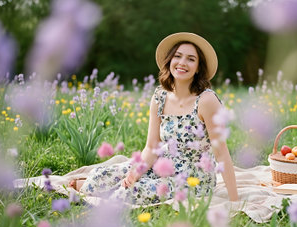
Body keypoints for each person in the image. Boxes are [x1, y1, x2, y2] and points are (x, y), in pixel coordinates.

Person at [71, 32, 239, 204]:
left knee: (131, 192)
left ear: (198, 68)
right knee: (101, 177)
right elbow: (152, 146)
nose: (182, 63)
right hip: (162, 164)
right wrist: (138, 170)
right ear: (170, 61)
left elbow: (221, 153)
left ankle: (106, 199)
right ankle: (92, 186)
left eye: (190, 59)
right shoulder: (160, 97)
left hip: (192, 178)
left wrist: (234, 201)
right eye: (177, 56)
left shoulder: (206, 100)